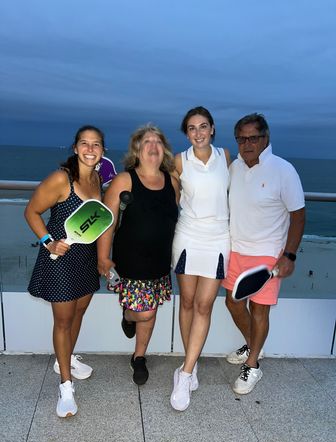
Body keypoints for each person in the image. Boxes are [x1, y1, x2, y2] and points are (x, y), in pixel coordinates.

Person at [25, 125, 105, 417]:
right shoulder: (62, 179)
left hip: (85, 258)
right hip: (58, 260)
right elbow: (31, 211)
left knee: (79, 312)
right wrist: (48, 242)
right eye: (84, 143)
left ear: (102, 151)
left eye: (96, 144)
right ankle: (65, 386)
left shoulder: (97, 179)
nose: (90, 149)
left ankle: (65, 359)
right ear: (75, 147)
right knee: (62, 321)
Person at [223, 113, 305, 394]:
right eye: (241, 138)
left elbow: (298, 215)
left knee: (259, 309)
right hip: (236, 250)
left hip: (268, 255)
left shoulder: (284, 170)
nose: (247, 144)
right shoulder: (234, 167)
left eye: (253, 138)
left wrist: (289, 255)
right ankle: (252, 344)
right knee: (232, 304)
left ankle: (253, 364)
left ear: (265, 138)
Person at [97, 124, 179, 386]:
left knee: (151, 310)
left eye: (157, 142)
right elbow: (107, 222)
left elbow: (173, 220)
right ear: (137, 149)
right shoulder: (124, 180)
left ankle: (139, 356)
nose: (152, 146)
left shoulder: (173, 182)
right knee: (143, 312)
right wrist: (103, 256)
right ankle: (128, 315)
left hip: (159, 261)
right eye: (146, 142)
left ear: (164, 149)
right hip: (130, 260)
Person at [170, 106, 231, 411]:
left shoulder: (226, 156)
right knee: (188, 302)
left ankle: (185, 373)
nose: (198, 133)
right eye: (192, 128)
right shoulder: (179, 161)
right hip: (188, 237)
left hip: (219, 238)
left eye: (203, 126)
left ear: (212, 128)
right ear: (186, 133)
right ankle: (188, 365)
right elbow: (169, 199)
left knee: (205, 305)